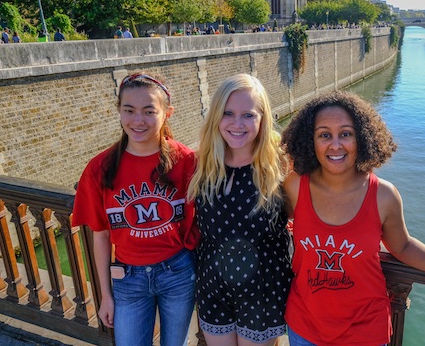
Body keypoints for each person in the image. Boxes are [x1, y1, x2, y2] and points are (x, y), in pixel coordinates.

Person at [280, 91, 425, 346]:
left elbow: (403, 246)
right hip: (305, 328)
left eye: (346, 134)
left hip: (365, 331)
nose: (336, 145)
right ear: (311, 141)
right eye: (324, 135)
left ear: (362, 138)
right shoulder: (294, 187)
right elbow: (267, 224)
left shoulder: (383, 195)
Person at [71, 72, 199, 346]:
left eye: (149, 111)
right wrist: (106, 295)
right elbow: (101, 236)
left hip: (177, 272)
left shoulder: (187, 162)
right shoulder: (100, 168)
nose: (138, 120)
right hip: (128, 279)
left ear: (167, 113)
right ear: (118, 111)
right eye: (129, 110)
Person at [186, 73, 292, 346]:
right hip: (213, 286)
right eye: (228, 113)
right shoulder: (203, 165)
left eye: (248, 115)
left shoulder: (281, 166)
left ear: (263, 119)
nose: (236, 123)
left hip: (263, 289)